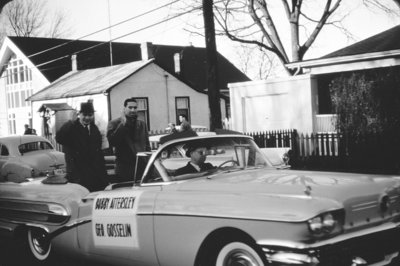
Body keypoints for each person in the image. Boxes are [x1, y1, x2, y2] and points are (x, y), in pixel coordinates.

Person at [56, 101, 108, 192]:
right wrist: (70, 122)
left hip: (95, 175)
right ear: (79, 114)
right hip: (78, 175)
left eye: (90, 115)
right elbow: (59, 138)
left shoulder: (94, 128)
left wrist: (104, 176)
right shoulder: (71, 127)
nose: (87, 118)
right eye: (84, 115)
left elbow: (99, 153)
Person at [107, 97, 151, 182]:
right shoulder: (114, 123)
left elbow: (147, 145)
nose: (133, 110)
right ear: (124, 109)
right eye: (130, 107)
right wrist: (123, 124)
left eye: (135, 108)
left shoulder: (142, 124)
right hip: (124, 167)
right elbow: (112, 142)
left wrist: (148, 163)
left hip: (140, 166)